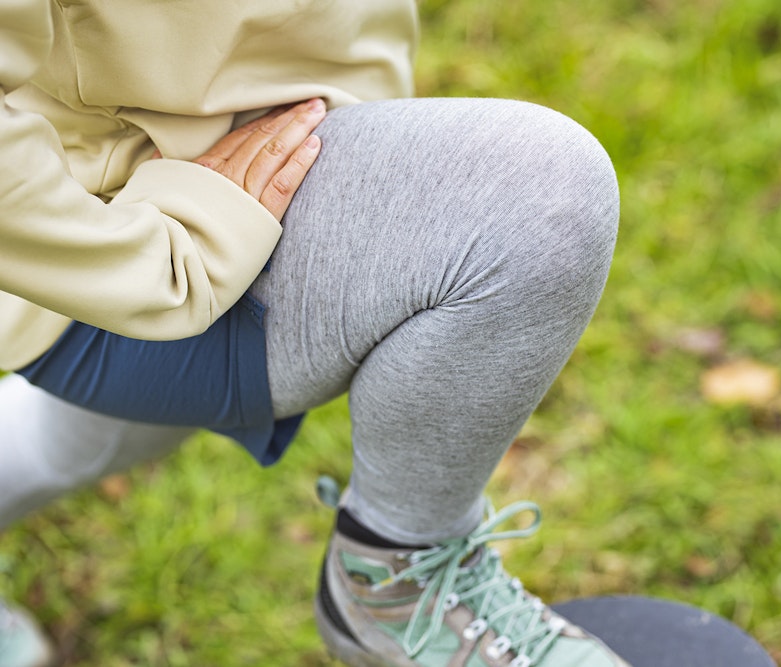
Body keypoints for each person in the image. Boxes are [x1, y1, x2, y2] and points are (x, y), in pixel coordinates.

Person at [0, 1, 622, 666]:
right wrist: (154, 266)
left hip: (264, 157)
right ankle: (395, 582)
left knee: (75, 442)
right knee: (538, 199)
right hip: (117, 259)